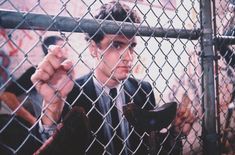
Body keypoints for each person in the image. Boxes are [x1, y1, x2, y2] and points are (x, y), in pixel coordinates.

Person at [31, 1, 196, 154]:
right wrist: (52, 107)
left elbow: (149, 147)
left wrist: (174, 133)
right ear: (94, 49)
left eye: (131, 46)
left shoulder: (144, 90)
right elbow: (53, 147)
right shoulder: (71, 93)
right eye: (117, 45)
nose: (129, 57)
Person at [3, 35, 64, 118]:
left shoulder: (65, 72)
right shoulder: (37, 72)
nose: (66, 50)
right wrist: (32, 120)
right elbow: (7, 95)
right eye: (62, 47)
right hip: (42, 125)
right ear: (50, 51)